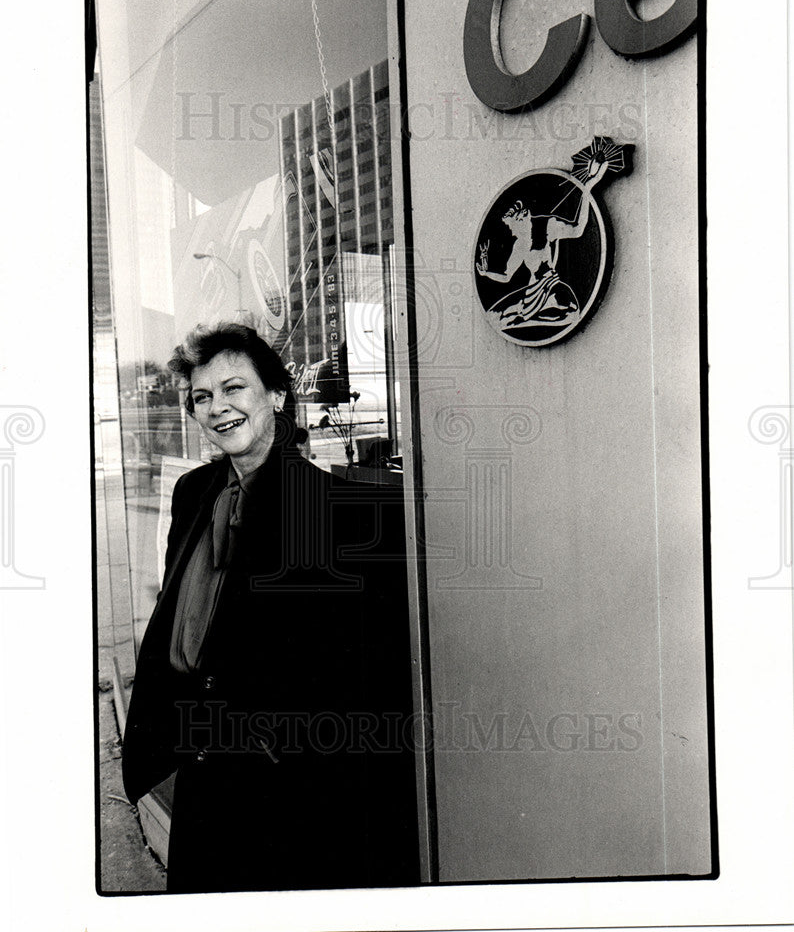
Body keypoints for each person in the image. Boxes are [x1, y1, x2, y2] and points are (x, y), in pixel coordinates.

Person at [122, 323, 418, 893]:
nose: (217, 407)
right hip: (202, 769)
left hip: (288, 791)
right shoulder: (194, 493)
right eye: (202, 396)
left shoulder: (340, 510)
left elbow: (366, 672)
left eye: (234, 388)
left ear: (276, 396)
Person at [476, 154, 609, 329]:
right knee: (493, 316)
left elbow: (577, 230)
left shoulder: (547, 226)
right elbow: (507, 276)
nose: (511, 231)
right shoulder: (519, 245)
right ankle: (524, 318)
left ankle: (526, 320)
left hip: (551, 287)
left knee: (571, 313)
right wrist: (486, 273)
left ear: (523, 218)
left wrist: (588, 187)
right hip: (530, 292)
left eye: (512, 225)